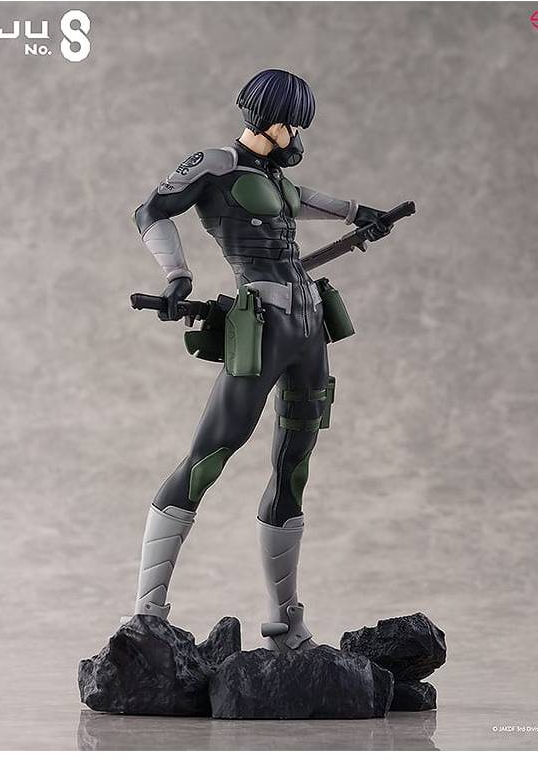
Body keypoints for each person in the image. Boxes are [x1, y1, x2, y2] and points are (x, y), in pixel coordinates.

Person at [131, 68, 391, 653]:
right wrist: (176, 275)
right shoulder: (216, 165)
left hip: (309, 327)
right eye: (293, 123)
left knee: (295, 466)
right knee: (208, 457)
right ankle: (146, 613)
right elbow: (151, 211)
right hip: (263, 327)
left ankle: (285, 623)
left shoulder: (274, 175)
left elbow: (310, 200)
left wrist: (361, 213)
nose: (298, 134)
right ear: (271, 121)